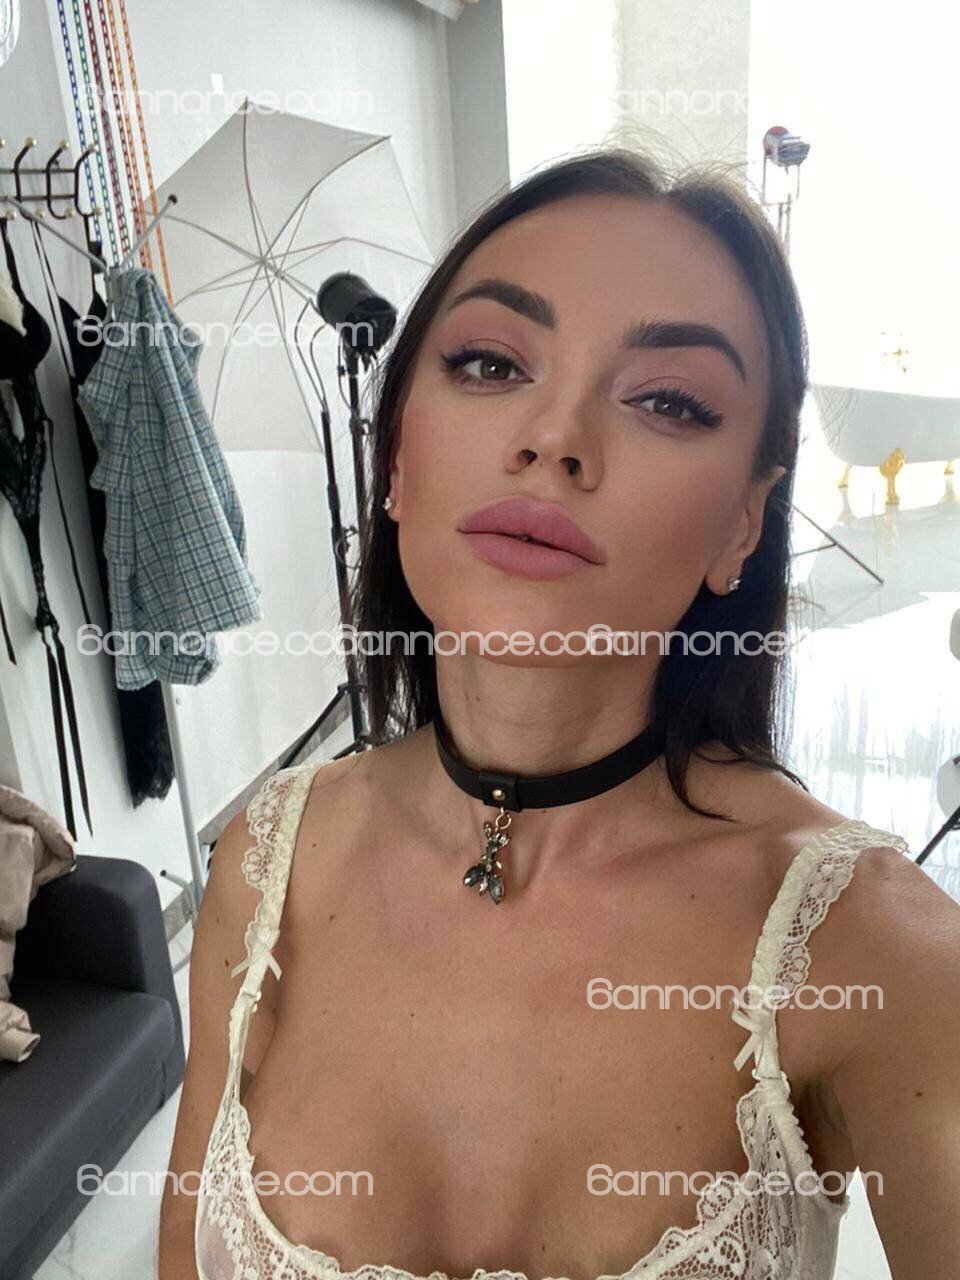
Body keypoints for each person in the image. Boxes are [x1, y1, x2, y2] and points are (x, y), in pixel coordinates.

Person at [159, 147, 960, 1280]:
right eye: (490, 363)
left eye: (668, 400)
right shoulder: (260, 873)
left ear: (743, 522)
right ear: (397, 459)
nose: (555, 438)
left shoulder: (875, 948)